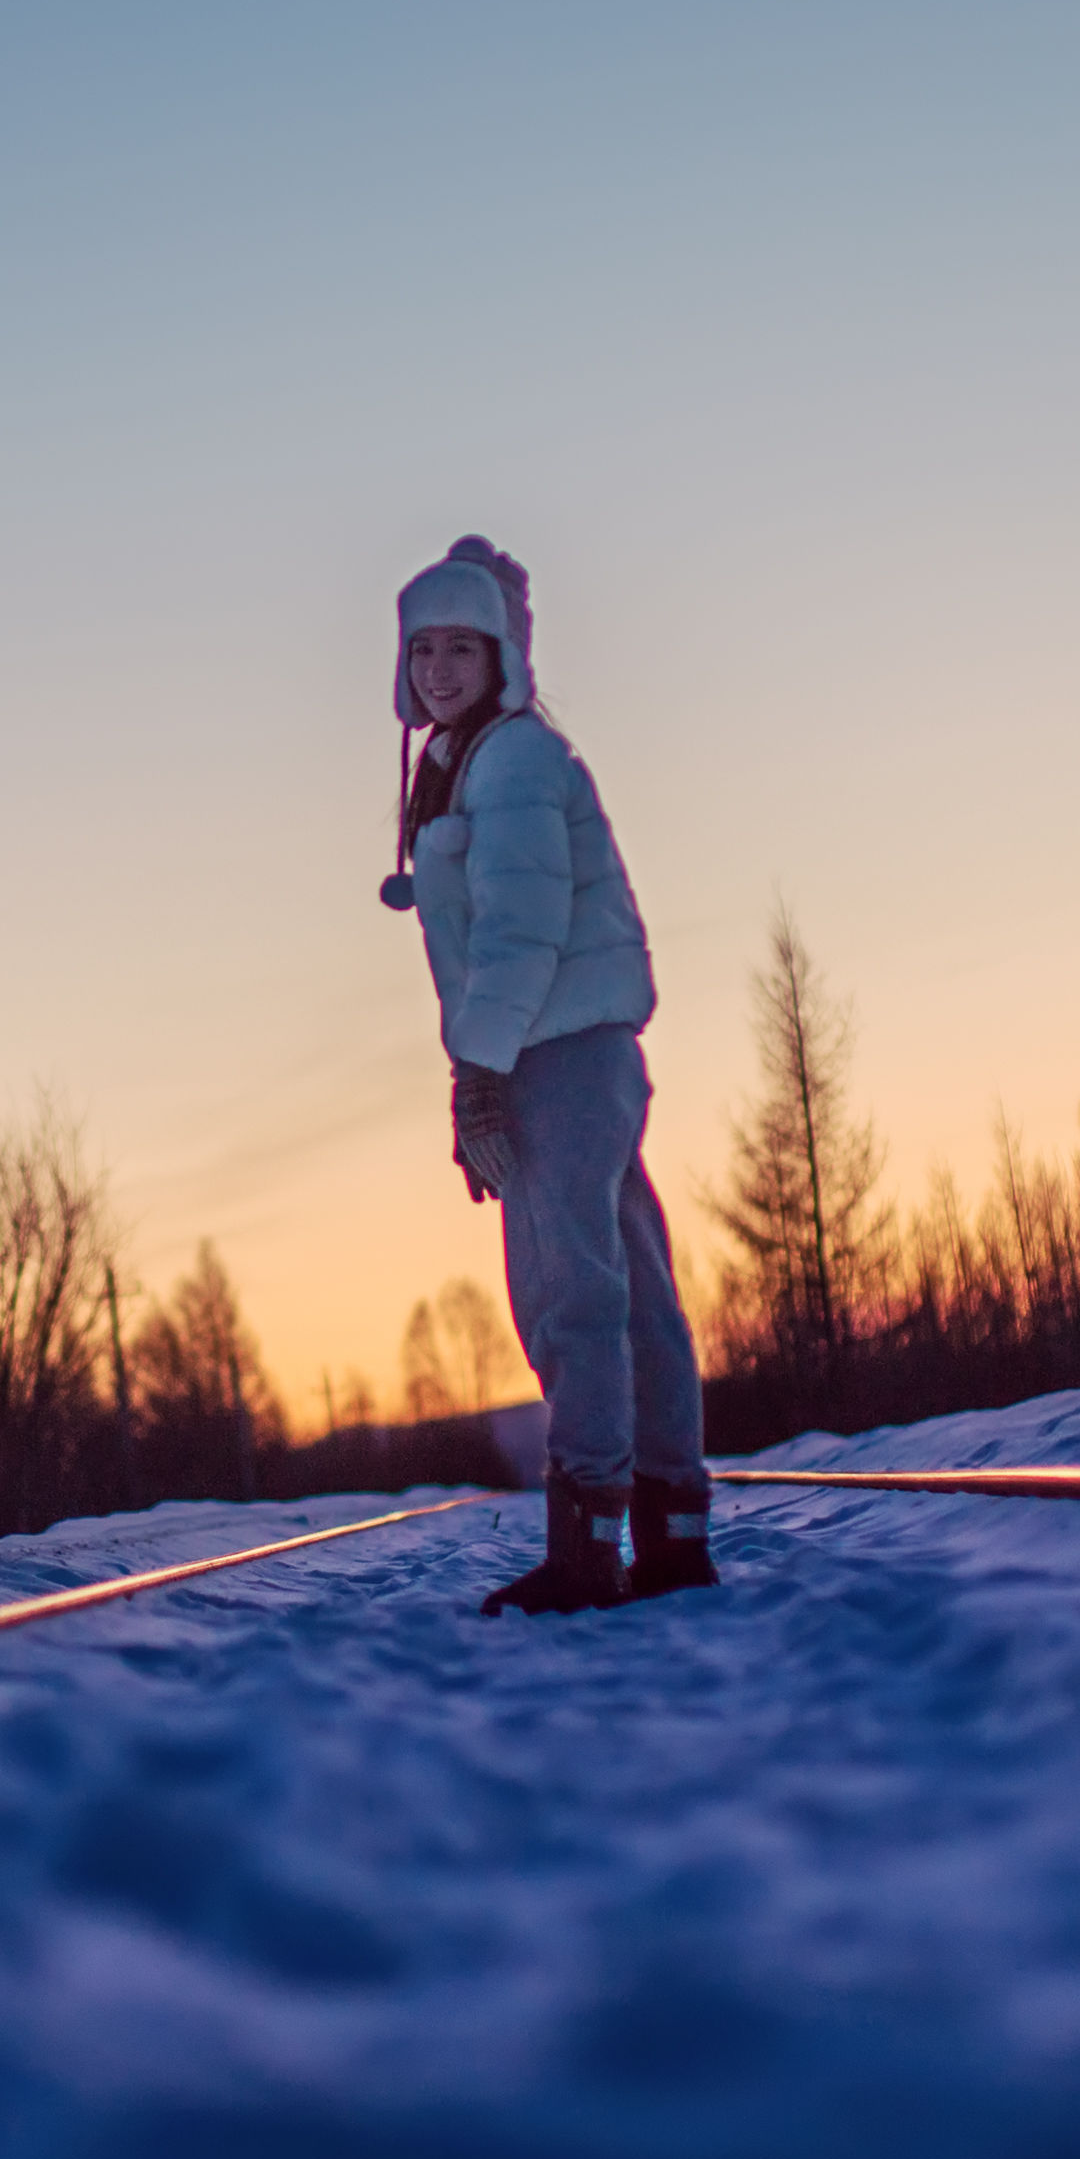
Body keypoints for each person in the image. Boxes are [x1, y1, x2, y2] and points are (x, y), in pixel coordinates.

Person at [378, 534, 717, 1614]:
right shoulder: (477, 758)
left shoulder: (512, 758)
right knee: (628, 1286)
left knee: (570, 1293)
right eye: (421, 648)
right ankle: (671, 1528)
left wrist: (477, 1073)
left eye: (459, 648)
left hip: (550, 1050)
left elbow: (521, 931)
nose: (437, 668)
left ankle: (590, 1548)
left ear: (499, 656)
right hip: (575, 1046)